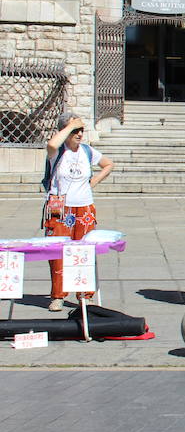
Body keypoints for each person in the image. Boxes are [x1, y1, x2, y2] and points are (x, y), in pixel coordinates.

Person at [42, 113, 114, 312]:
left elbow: (108, 164)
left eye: (81, 130)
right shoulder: (58, 152)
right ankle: (58, 295)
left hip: (84, 206)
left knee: (84, 251)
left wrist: (95, 181)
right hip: (60, 206)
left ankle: (85, 294)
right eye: (75, 130)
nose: (79, 134)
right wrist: (69, 126)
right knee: (57, 252)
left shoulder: (87, 151)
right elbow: (51, 145)